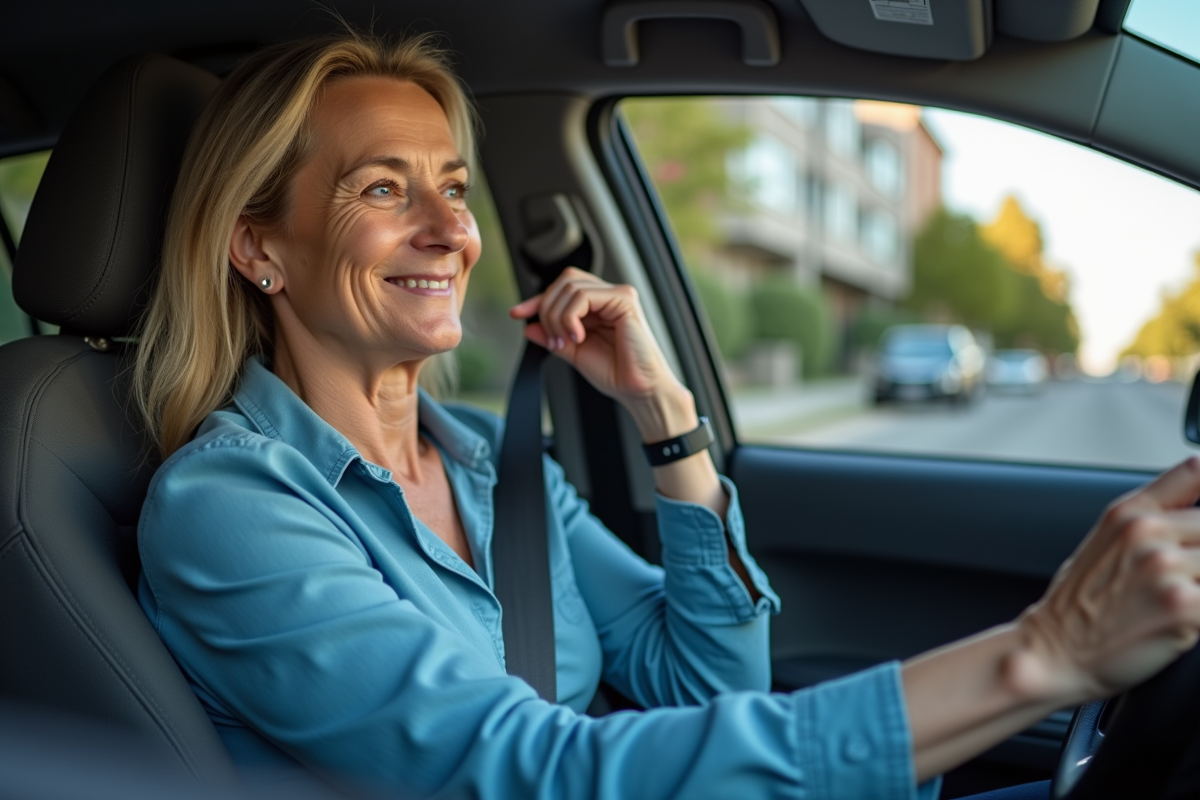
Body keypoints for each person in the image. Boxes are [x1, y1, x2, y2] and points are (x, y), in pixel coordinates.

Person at [133, 31, 1200, 800]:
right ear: (257, 247)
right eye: (380, 190)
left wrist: (667, 415)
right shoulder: (231, 505)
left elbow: (704, 678)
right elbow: (531, 769)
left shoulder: (485, 467)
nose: (448, 229)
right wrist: (1042, 654)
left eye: (453, 189)